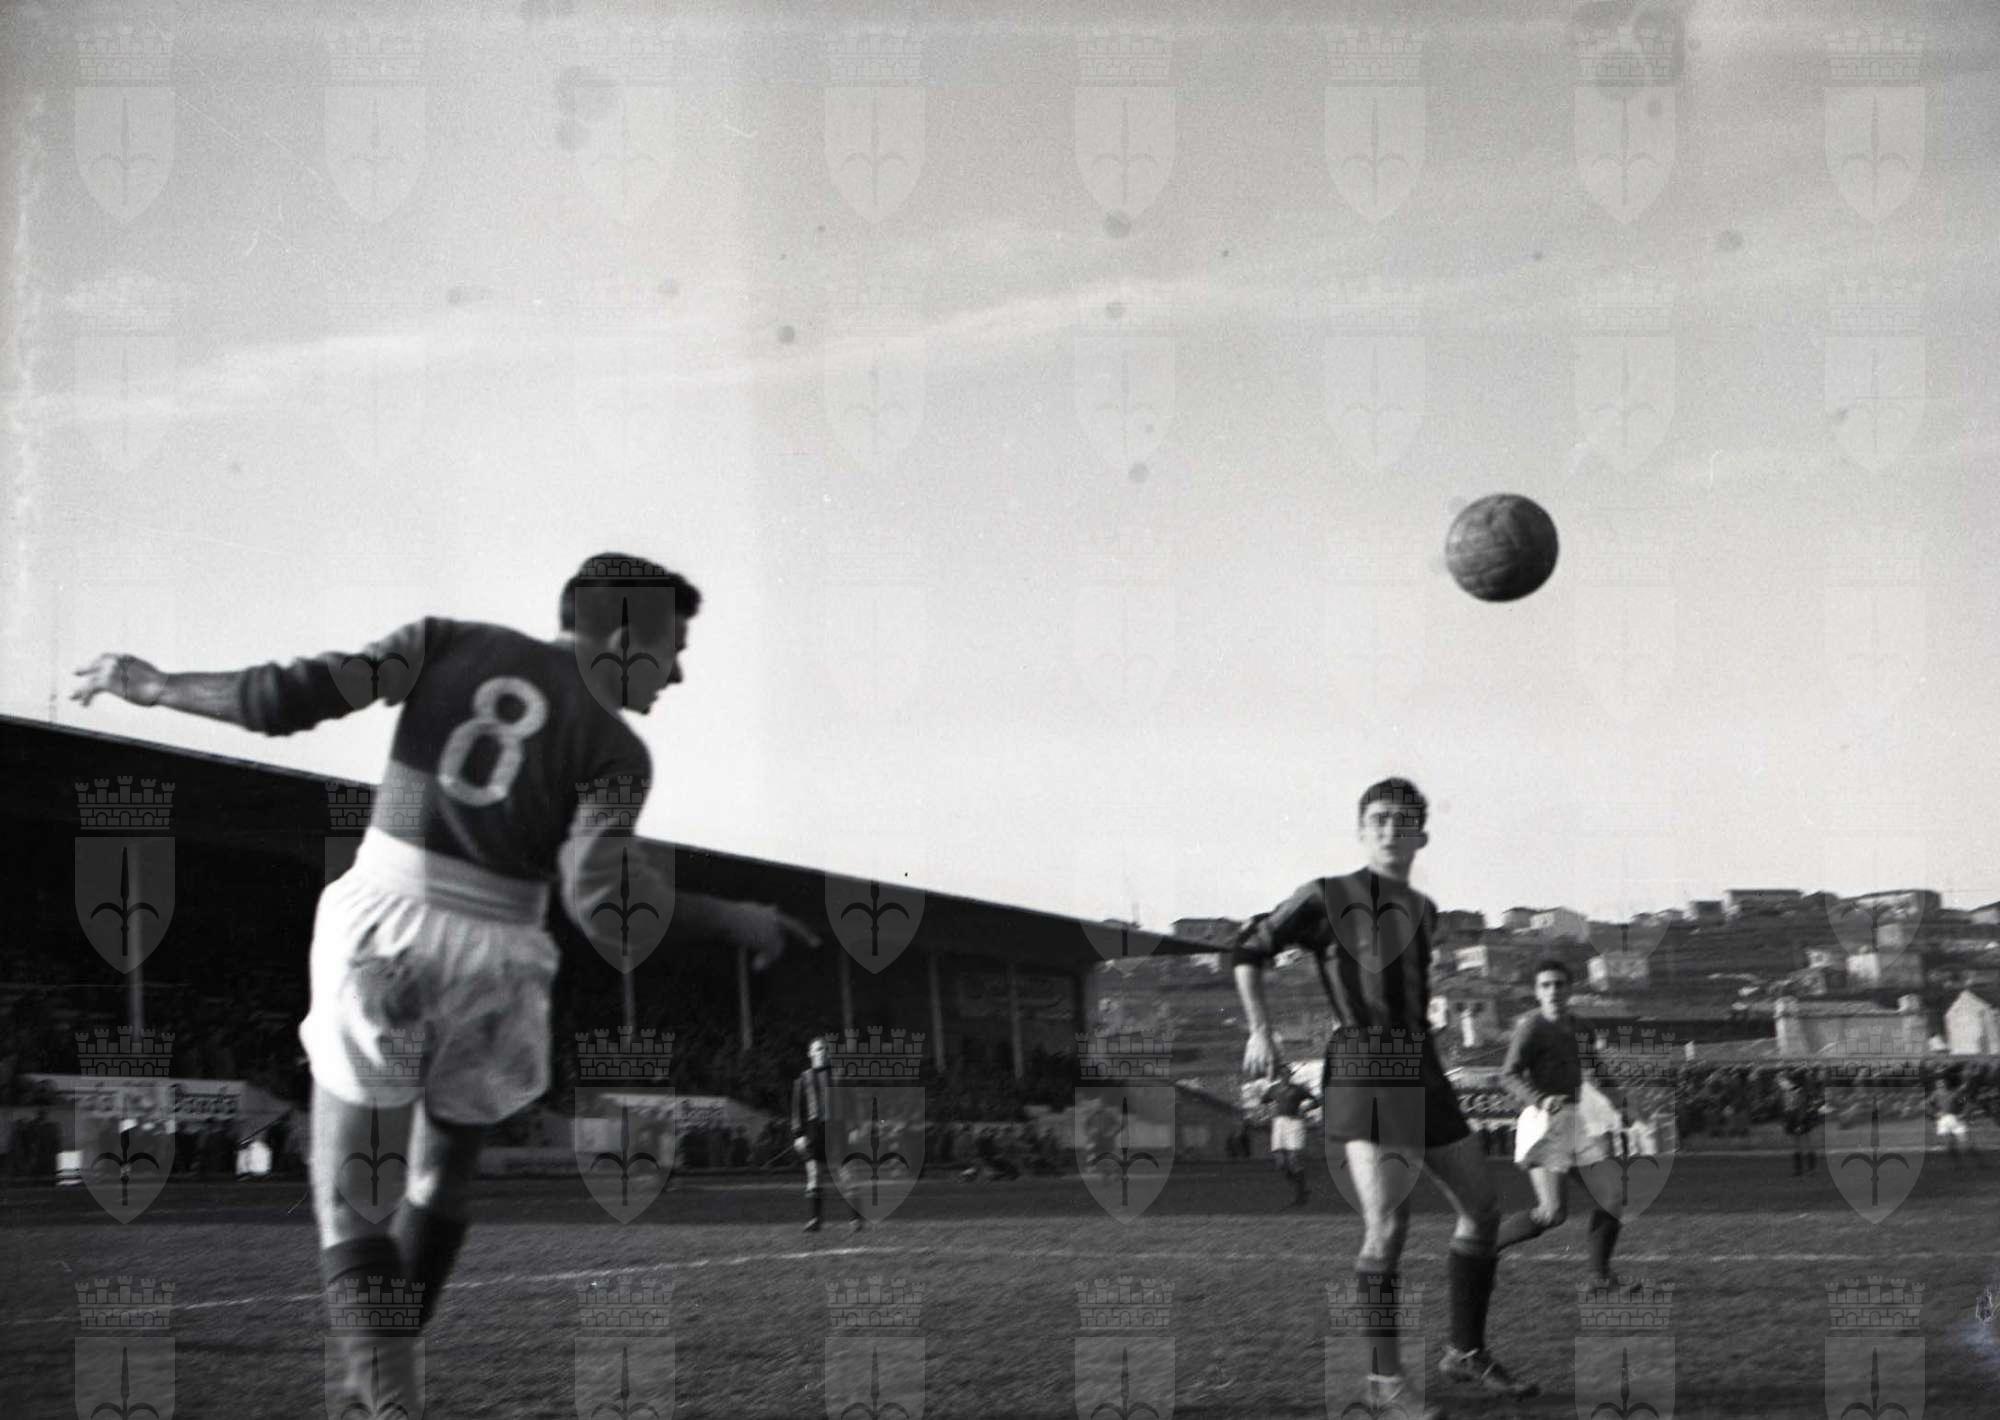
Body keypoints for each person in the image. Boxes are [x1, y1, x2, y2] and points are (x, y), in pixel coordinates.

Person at [73, 552, 818, 1413]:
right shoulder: (618, 753)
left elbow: (286, 698)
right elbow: (599, 902)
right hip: (502, 957)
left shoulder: (445, 641)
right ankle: (382, 1388)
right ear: (623, 638)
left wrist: (155, 686)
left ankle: (385, 1398)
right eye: (674, 650)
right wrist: (734, 918)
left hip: (387, 927)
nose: (678, 673)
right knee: (441, 1182)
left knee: (350, 1200)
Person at [1235, 777, 1536, 1418]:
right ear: (1360, 830)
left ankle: (1465, 1352)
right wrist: (1260, 1029)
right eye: (1378, 818)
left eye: (1404, 819)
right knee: (1389, 1224)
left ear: (1422, 835)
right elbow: (1249, 947)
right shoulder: (1325, 895)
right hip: (1366, 1065)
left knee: (1482, 1210)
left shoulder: (1425, 909)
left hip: (1422, 1062)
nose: (1391, 828)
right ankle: (1382, 1381)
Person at [1491, 961, 1635, 1291]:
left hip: (1577, 1119)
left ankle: (1600, 1279)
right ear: (1537, 992)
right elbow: (1508, 1075)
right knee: (1552, 1214)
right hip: (1544, 1121)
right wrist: (1540, 1099)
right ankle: (1483, 1249)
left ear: (1570, 989)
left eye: (1559, 984)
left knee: (1613, 1197)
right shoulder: (1531, 1028)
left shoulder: (1582, 1027)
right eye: (1546, 985)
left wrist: (1621, 1103)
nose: (1553, 990)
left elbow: (1597, 1068)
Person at [792, 1036, 863, 1232]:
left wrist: (854, 1128)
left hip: (837, 1130)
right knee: (814, 1175)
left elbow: (852, 1104)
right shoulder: (803, 1079)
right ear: (810, 1053)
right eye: (817, 1049)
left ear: (829, 1053)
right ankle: (815, 1219)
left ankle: (855, 1219)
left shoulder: (840, 1076)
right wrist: (798, 1134)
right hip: (814, 1131)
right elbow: (797, 1109)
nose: (821, 1052)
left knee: (846, 1174)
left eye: (824, 1049)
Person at [1261, 1067, 1315, 1206]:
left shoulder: (1298, 1089)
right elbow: (1263, 1101)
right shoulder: (1273, 1089)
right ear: (1279, 1076)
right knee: (1280, 1162)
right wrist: (1266, 1114)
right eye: (1283, 1074)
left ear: (1290, 1075)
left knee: (1293, 1159)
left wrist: (1305, 1109)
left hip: (1294, 1122)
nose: (1285, 1076)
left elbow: (1315, 1100)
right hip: (1279, 1123)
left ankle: (1300, 1193)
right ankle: (1301, 1188)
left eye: (1288, 1074)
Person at [1777, 1071, 1820, 1176]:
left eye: (1782, 1081)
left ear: (1789, 1081)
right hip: (1792, 1119)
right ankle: (1798, 1169)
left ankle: (1811, 1169)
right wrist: (1785, 1121)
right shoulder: (1785, 1093)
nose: (1780, 1083)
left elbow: (1802, 1108)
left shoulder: (1799, 1092)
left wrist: (1800, 1123)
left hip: (1801, 1119)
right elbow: (1785, 1108)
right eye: (1780, 1081)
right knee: (1796, 1144)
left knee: (1807, 1142)